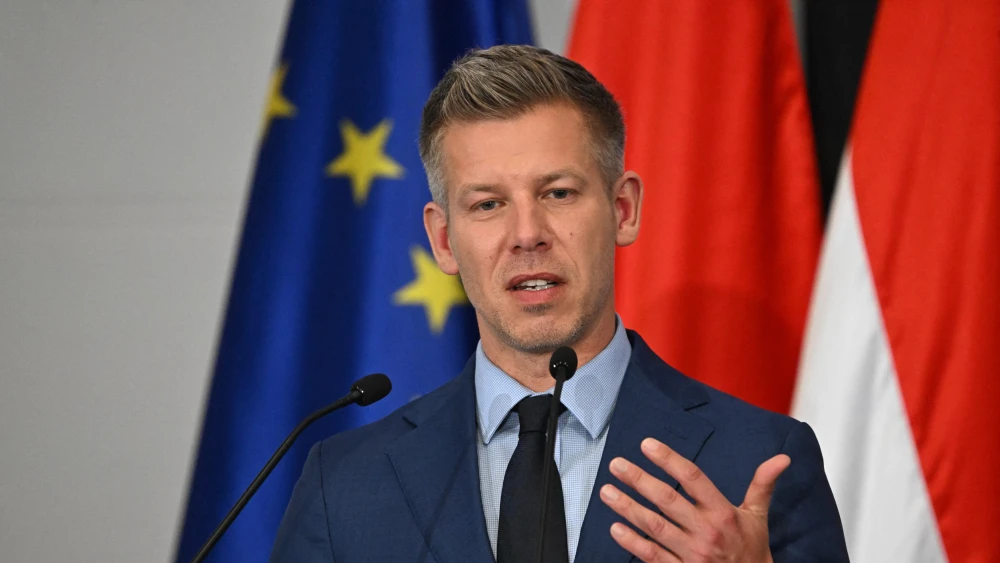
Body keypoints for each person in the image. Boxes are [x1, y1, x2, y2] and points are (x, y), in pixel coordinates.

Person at [270, 45, 849, 563]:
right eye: (488, 204)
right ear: (444, 240)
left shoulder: (757, 463)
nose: (527, 233)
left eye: (558, 193)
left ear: (622, 210)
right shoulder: (344, 483)